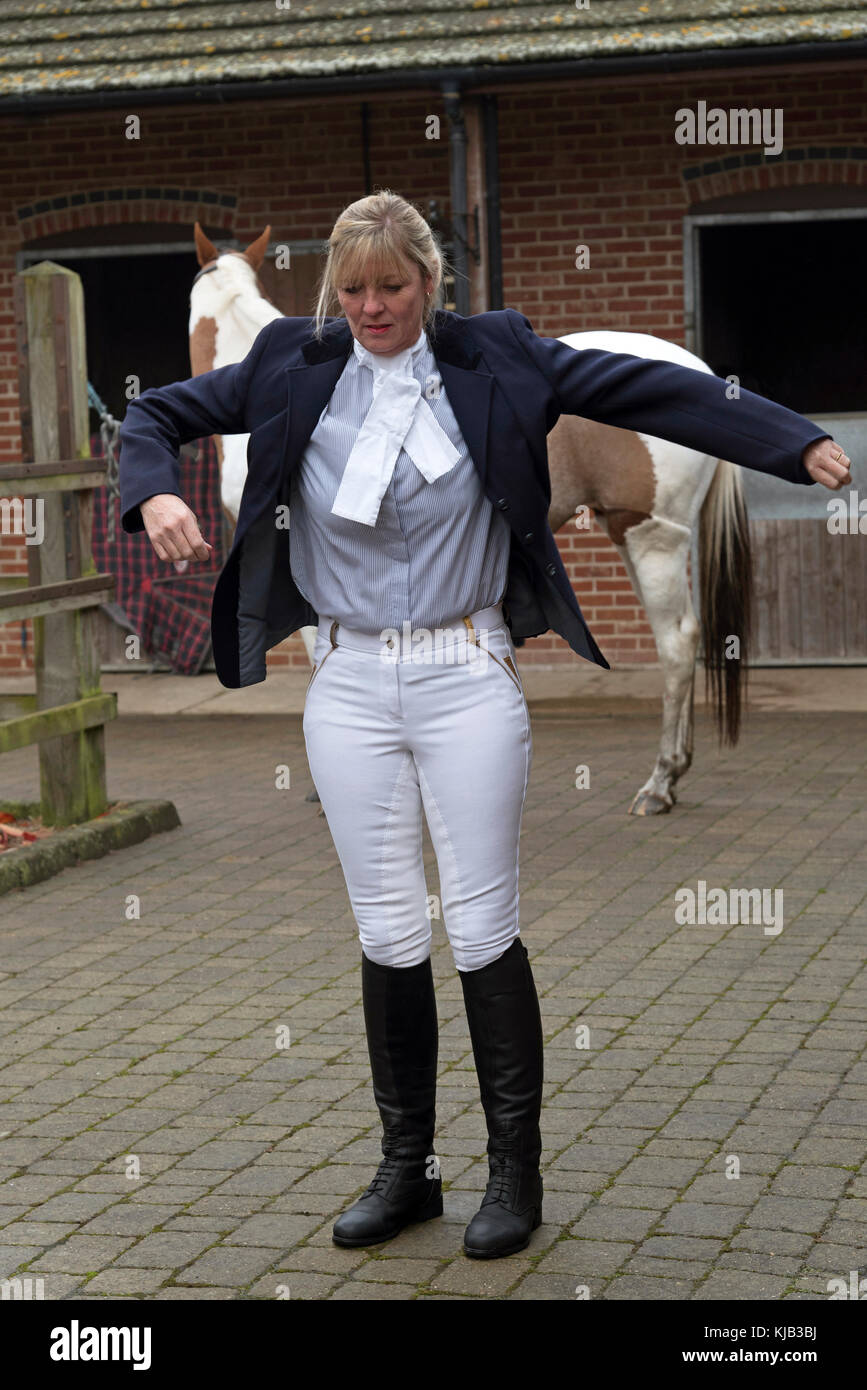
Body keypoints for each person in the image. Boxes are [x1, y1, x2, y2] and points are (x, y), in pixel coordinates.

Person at [119, 190, 851, 1261]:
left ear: (430, 284)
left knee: (481, 923)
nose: (373, 307)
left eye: (394, 287)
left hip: (464, 671)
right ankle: (406, 1168)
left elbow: (649, 386)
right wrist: (152, 495)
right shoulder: (291, 359)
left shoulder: (499, 355)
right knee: (386, 931)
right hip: (351, 684)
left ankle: (515, 1174)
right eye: (356, 288)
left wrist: (793, 442)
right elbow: (156, 414)